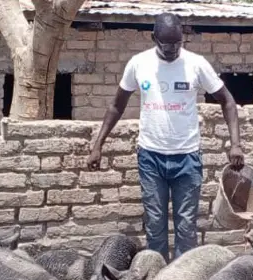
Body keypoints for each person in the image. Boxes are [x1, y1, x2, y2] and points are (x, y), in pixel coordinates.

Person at [86, 12, 244, 262]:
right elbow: (117, 106)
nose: (172, 49)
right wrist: (98, 146)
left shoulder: (196, 64)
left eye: (178, 43)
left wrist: (235, 144)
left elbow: (227, 101)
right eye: (167, 44)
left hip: (188, 158)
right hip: (151, 157)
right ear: (154, 38)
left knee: (186, 228)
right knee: (155, 225)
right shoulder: (139, 64)